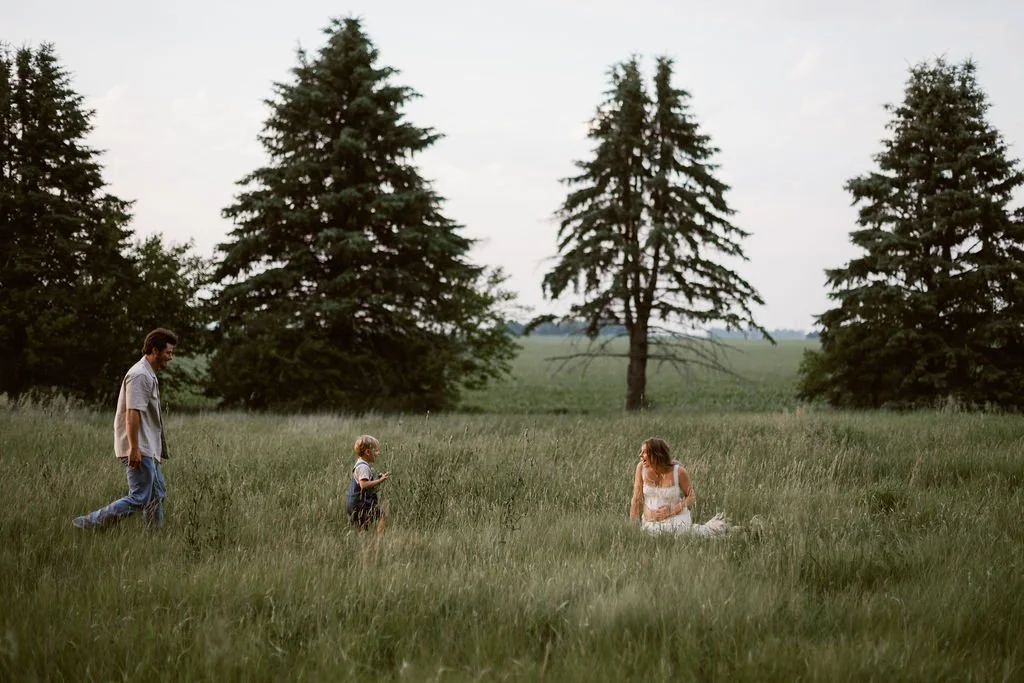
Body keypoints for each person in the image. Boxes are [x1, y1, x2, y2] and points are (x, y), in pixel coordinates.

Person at [72, 328, 177, 530]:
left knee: (156, 495)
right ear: (155, 350)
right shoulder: (140, 375)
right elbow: (132, 413)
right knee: (139, 497)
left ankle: (154, 539)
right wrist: (134, 448)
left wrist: (156, 451)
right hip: (139, 447)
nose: (171, 357)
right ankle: (88, 523)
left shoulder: (148, 374)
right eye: (168, 352)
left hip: (148, 448)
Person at [629, 436, 730, 537]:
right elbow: (636, 499)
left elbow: (691, 497)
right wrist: (633, 529)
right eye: (641, 452)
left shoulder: (678, 471)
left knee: (662, 534)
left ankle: (715, 530)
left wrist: (671, 511)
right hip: (650, 521)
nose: (640, 455)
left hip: (676, 518)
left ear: (656, 454)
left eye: (645, 452)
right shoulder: (641, 468)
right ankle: (707, 530)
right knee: (649, 532)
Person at [346, 434, 389, 534]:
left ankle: (361, 545)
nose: (378, 453)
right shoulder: (364, 467)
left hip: (353, 503)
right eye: (376, 451)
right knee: (382, 515)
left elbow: (365, 482)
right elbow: (363, 485)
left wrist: (376, 479)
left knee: (362, 529)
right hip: (360, 503)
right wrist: (380, 480)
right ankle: (380, 541)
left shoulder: (360, 463)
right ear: (368, 452)